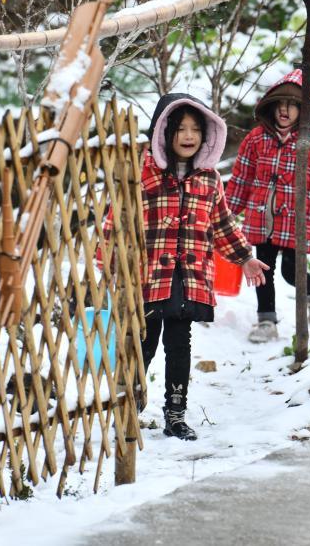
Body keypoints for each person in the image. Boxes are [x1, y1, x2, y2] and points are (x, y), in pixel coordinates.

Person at [105, 93, 268, 441]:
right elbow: (115, 219)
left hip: (190, 278)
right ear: (164, 132)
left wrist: (245, 258)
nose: (189, 136)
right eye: (180, 129)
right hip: (147, 277)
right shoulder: (142, 173)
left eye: (196, 129)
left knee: (180, 345)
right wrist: (110, 263)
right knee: (144, 344)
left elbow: (222, 224)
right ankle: (128, 408)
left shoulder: (208, 179)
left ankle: (175, 414)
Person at [226, 69, 310, 344]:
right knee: (264, 270)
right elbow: (241, 179)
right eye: (281, 104)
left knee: (290, 271)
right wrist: (225, 214)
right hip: (263, 219)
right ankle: (266, 320)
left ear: (305, 109)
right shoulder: (256, 139)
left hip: (298, 219)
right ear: (271, 107)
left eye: (293, 105)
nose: (285, 110)